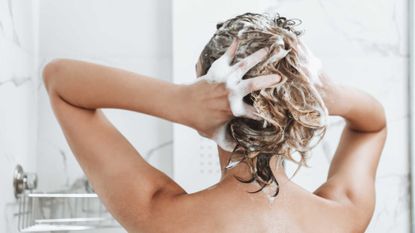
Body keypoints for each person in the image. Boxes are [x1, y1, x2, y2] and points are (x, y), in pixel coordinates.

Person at [42, 12, 386, 233]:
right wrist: (327, 95)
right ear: (295, 106)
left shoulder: (161, 217)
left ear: (201, 90)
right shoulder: (341, 217)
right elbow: (372, 125)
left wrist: (176, 101)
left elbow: (60, 81)